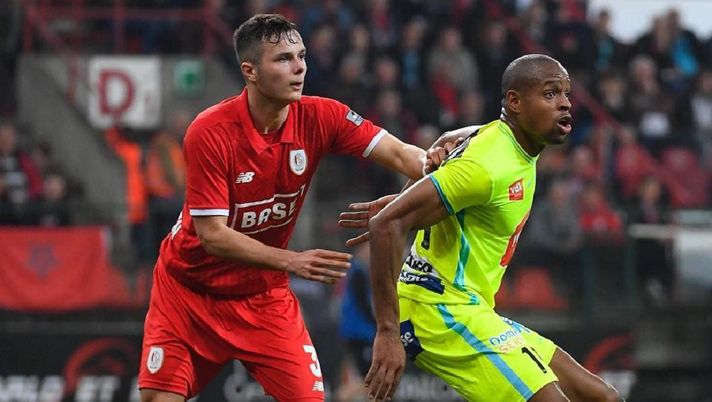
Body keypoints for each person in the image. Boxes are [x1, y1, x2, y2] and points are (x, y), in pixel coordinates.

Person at [138, 14, 429, 402]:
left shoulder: (322, 116)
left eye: (302, 56)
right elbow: (213, 236)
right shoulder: (210, 131)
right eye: (283, 59)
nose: (299, 67)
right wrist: (293, 261)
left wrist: (443, 166)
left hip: (263, 298)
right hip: (188, 294)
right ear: (250, 71)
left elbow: (402, 154)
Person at [350, 54, 621, 401]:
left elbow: (446, 140)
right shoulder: (489, 165)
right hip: (438, 310)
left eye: (566, 93)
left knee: (604, 397)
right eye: (551, 94)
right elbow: (385, 224)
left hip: (471, 308)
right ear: (515, 102)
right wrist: (387, 332)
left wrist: (412, 193)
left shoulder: (498, 140)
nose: (565, 103)